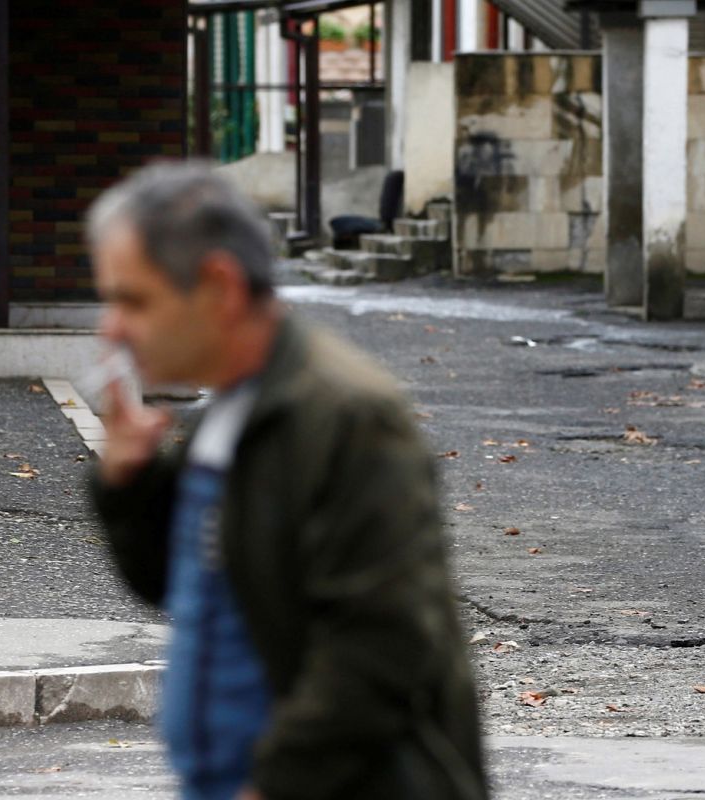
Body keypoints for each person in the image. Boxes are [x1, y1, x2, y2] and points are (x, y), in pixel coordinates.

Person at [86, 161, 487, 800]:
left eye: (132, 300)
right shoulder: (227, 414)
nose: (111, 327)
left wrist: (276, 787)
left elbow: (382, 646)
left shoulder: (347, 416)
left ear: (218, 286)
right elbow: (180, 587)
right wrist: (128, 485)